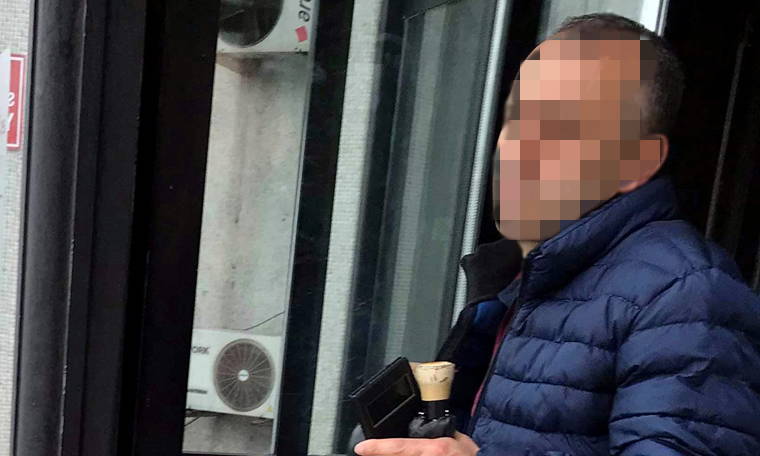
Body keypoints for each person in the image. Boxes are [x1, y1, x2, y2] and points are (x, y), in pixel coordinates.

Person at [354, 13, 760, 456]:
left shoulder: (687, 292)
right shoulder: (530, 271)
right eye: (518, 115)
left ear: (638, 162)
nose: (515, 146)